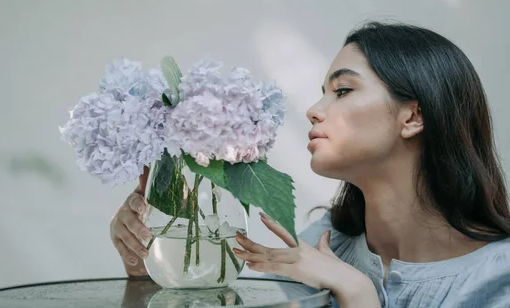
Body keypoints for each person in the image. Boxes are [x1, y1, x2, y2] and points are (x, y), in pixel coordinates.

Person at [110, 22, 510, 307]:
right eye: (324, 93)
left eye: (343, 90)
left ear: (413, 117)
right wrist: (142, 268)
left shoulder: (498, 278)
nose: (315, 111)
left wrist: (356, 294)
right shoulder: (325, 242)